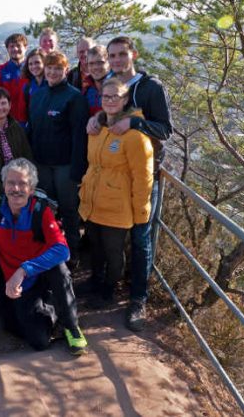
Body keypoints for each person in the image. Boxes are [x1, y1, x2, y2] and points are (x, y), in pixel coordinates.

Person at [86, 36, 173, 332]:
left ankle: (138, 299)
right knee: (112, 237)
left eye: (122, 54)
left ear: (133, 54)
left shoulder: (150, 87)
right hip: (116, 178)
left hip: (146, 173)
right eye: (113, 55)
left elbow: (165, 129)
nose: (118, 60)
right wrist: (98, 117)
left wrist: (135, 124)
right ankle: (111, 286)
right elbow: (112, 112)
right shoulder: (111, 82)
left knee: (140, 238)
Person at [0, 158, 87, 355]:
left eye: (23, 183)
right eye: (11, 183)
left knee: (59, 269)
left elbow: (62, 250)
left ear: (31, 189)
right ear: (4, 185)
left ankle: (71, 326)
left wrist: (24, 270)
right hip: (15, 282)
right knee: (29, 335)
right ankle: (51, 308)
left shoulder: (41, 212)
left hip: (38, 274)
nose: (16, 189)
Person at [78, 78, 153, 306]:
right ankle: (96, 281)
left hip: (117, 207)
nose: (110, 101)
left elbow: (143, 177)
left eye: (115, 97)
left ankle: (108, 292)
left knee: (113, 254)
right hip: (93, 202)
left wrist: (141, 211)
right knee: (96, 249)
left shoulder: (135, 137)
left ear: (125, 100)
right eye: (106, 96)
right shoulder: (98, 129)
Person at [28, 51, 88, 266]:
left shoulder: (74, 98)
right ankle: (49, 250)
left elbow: (80, 137)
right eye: (49, 68)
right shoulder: (37, 95)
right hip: (42, 163)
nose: (52, 72)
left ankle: (72, 254)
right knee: (46, 209)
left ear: (65, 70)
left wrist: (77, 170)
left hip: (65, 165)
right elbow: (32, 129)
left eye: (57, 68)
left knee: (69, 209)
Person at [0, 33, 29, 125]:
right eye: (11, 46)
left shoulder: (32, 69)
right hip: (7, 122)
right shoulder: (1, 70)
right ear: (7, 49)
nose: (15, 49)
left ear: (25, 47)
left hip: (30, 121)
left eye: (18, 46)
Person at [82, 45, 111, 116]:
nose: (95, 67)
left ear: (109, 63)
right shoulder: (86, 90)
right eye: (91, 64)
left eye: (100, 63)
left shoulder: (121, 87)